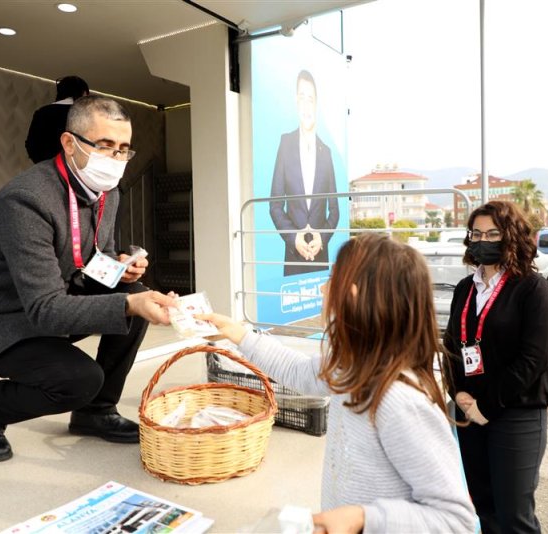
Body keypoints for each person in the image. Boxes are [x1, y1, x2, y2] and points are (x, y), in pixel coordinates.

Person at [0, 95, 176, 462]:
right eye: (105, 146)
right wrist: (128, 303)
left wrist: (119, 267)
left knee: (134, 291)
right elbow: (45, 310)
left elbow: (94, 256)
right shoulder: (26, 201)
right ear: (70, 143)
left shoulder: (107, 192)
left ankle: (95, 413)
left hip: (48, 300)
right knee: (80, 377)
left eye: (123, 149)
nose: (115, 160)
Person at [199, 234, 475, 533]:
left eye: (332, 278)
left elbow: (455, 520)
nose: (322, 287)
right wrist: (238, 334)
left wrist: (363, 518)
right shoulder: (351, 366)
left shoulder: (398, 399)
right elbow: (300, 372)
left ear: (353, 296)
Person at [442, 200, 548, 533]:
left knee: (515, 516)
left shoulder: (533, 289)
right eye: (476, 233)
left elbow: (533, 360)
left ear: (511, 237)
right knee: (484, 508)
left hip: (516, 415)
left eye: (493, 233)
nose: (483, 240)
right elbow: (452, 346)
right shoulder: (466, 288)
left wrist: (486, 405)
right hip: (468, 413)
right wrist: (459, 394)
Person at [269, 70, 339, 276]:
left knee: (322, 306)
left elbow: (334, 210)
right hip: (293, 255)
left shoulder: (326, 152)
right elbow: (274, 204)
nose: (307, 105)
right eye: (302, 98)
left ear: (316, 104)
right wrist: (293, 237)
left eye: (311, 99)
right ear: (295, 102)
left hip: (320, 256)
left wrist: (322, 238)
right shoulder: (285, 143)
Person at [25, 75, 89, 163]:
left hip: (45, 167)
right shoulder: (84, 114)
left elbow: (31, 144)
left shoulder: (42, 112)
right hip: (74, 167)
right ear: (83, 93)